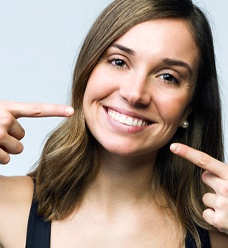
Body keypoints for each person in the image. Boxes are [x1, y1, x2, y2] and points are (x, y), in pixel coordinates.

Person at [0, 0, 228, 247]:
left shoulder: (218, 234)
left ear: (189, 109)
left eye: (167, 77)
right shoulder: (5, 208)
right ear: (87, 70)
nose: (134, 94)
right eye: (119, 62)